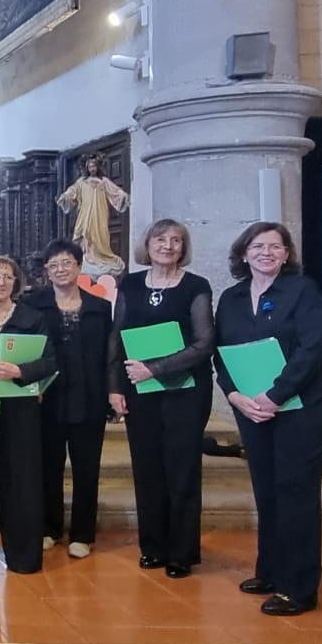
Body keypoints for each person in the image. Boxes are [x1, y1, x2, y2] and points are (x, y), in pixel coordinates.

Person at [214, 222, 322, 616]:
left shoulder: (302, 291)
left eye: (275, 246)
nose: (266, 252)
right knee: (266, 492)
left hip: (303, 409)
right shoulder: (231, 298)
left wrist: (275, 395)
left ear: (286, 255)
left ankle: (298, 588)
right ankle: (270, 571)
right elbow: (221, 352)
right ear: (243, 252)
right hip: (253, 411)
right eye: (257, 245)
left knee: (295, 495)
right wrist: (234, 395)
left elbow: (313, 347)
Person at [108, 218, 215, 579]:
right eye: (160, 239)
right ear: (148, 245)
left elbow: (204, 343)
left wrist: (153, 368)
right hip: (140, 391)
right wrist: (115, 387)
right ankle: (153, 547)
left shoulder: (196, 286)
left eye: (176, 240)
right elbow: (117, 336)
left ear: (184, 248)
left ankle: (181, 553)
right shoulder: (131, 284)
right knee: (147, 469)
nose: (168, 246)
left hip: (185, 391)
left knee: (182, 470)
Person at [26, 239, 112, 560]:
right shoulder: (33, 304)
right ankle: (49, 527)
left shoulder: (100, 307)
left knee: (86, 469)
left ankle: (82, 533)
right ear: (46, 271)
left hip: (89, 398)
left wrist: (111, 392)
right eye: (53, 265)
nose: (60, 269)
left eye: (66, 263)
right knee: (48, 467)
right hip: (47, 398)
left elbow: (110, 355)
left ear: (79, 266)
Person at [0, 255, 55, 574]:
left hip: (20, 408)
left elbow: (50, 361)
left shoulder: (32, 317)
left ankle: (23, 555)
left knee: (21, 481)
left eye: (7, 277)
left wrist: (20, 371)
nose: (1, 282)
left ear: (16, 283)